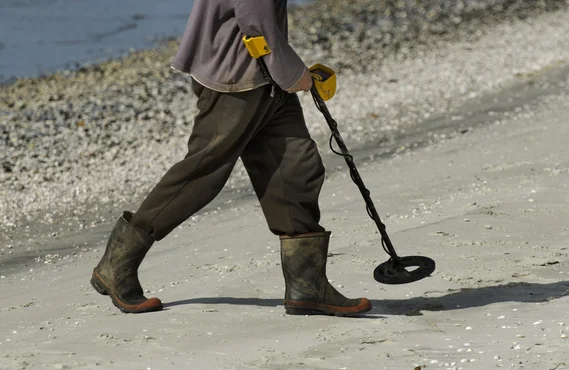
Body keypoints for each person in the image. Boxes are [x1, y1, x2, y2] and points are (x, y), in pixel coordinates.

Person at [90, 0, 372, 316]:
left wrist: (286, 73)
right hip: (236, 78)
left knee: (296, 166)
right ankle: (116, 265)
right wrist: (294, 76)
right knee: (202, 174)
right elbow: (255, 19)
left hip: (264, 76)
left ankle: (307, 287)